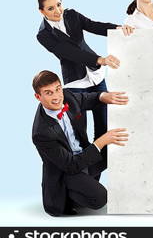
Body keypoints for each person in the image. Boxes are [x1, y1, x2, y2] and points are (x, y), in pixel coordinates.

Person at [36, 0, 134, 166]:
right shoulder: (43, 35)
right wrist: (100, 59)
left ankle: (94, 180)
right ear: (41, 11)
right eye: (50, 9)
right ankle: (86, 180)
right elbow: (68, 53)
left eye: (59, 5)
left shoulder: (71, 15)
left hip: (96, 77)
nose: (57, 11)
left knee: (104, 129)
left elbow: (94, 25)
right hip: (76, 84)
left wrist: (119, 29)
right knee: (80, 136)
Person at [31, 70, 129, 216]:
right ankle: (70, 197)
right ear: (38, 97)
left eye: (58, 89)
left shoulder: (67, 97)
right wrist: (101, 141)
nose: (57, 96)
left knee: (116, 149)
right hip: (67, 172)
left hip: (83, 157)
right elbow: (71, 165)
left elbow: (86, 98)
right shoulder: (41, 133)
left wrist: (103, 96)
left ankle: (86, 180)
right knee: (100, 198)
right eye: (49, 93)